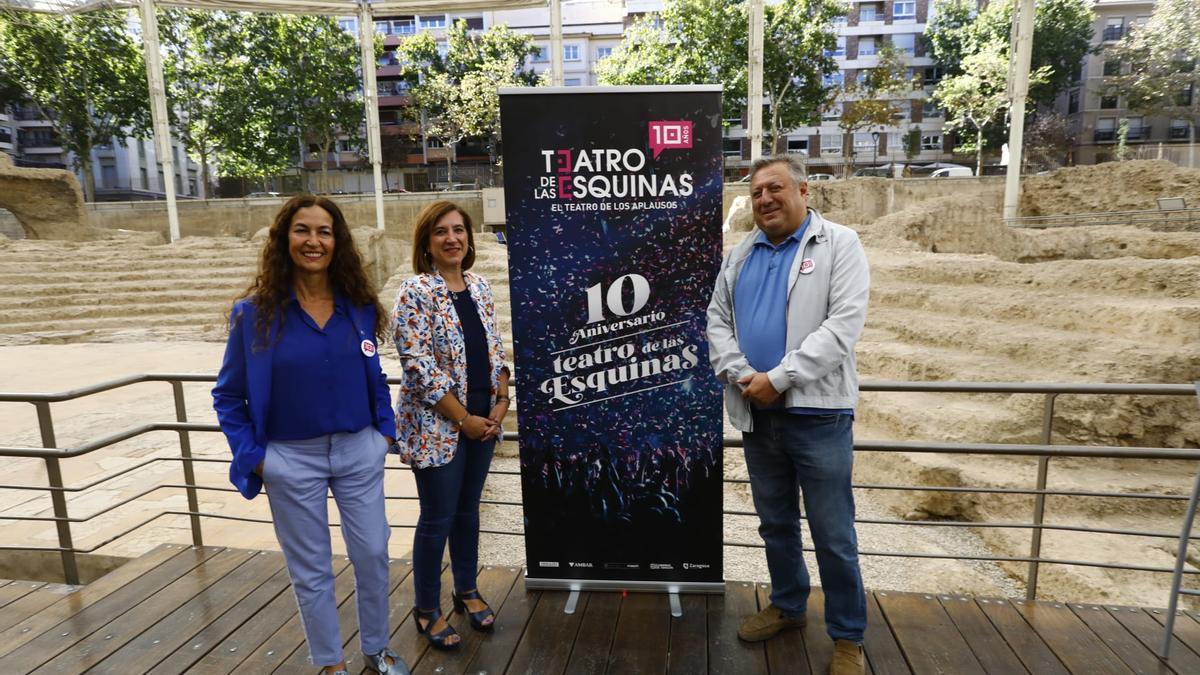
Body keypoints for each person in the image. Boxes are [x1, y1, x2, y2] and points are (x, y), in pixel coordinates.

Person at [213, 195, 408, 675]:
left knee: (373, 554)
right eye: (303, 230)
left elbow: (374, 376)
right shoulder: (253, 313)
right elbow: (228, 396)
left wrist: (384, 432)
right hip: (289, 457)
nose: (314, 241)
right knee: (312, 570)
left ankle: (377, 648)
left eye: (324, 232)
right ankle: (330, 663)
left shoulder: (358, 307)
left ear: (337, 241)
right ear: (285, 239)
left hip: (358, 449)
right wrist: (256, 457)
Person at [707, 154, 870, 675]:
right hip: (760, 415)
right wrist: (742, 376)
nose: (765, 200)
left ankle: (848, 636)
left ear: (803, 191)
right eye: (756, 193)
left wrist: (778, 378)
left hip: (818, 415)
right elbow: (717, 323)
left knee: (833, 534)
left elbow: (842, 327)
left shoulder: (840, 244)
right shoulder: (740, 254)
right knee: (775, 524)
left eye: (775, 189)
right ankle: (789, 605)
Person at [391, 201, 511, 650]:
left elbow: (496, 348)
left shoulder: (479, 286)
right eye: (441, 231)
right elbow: (417, 365)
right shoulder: (415, 291)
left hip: (484, 418)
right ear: (427, 242)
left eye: (459, 230)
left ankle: (466, 589)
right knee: (436, 518)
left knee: (467, 511)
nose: (452, 238)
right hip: (440, 423)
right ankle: (426, 608)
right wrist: (463, 419)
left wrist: (500, 404)